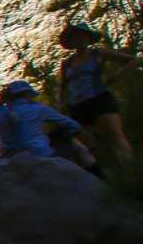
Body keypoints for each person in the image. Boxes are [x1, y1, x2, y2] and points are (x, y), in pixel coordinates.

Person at [59, 22, 138, 163]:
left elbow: (132, 60)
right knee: (89, 145)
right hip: (78, 106)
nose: (79, 40)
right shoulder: (67, 63)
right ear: (71, 41)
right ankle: (106, 176)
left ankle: (131, 171)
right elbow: (63, 86)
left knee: (116, 136)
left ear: (89, 39)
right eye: (76, 37)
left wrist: (115, 76)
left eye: (83, 36)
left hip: (100, 99)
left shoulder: (98, 54)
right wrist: (62, 105)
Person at [0, 80, 96, 162]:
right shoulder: (38, 108)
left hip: (9, 159)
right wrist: (80, 130)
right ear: (27, 94)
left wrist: (0, 104)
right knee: (75, 145)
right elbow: (69, 123)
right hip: (39, 154)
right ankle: (97, 174)